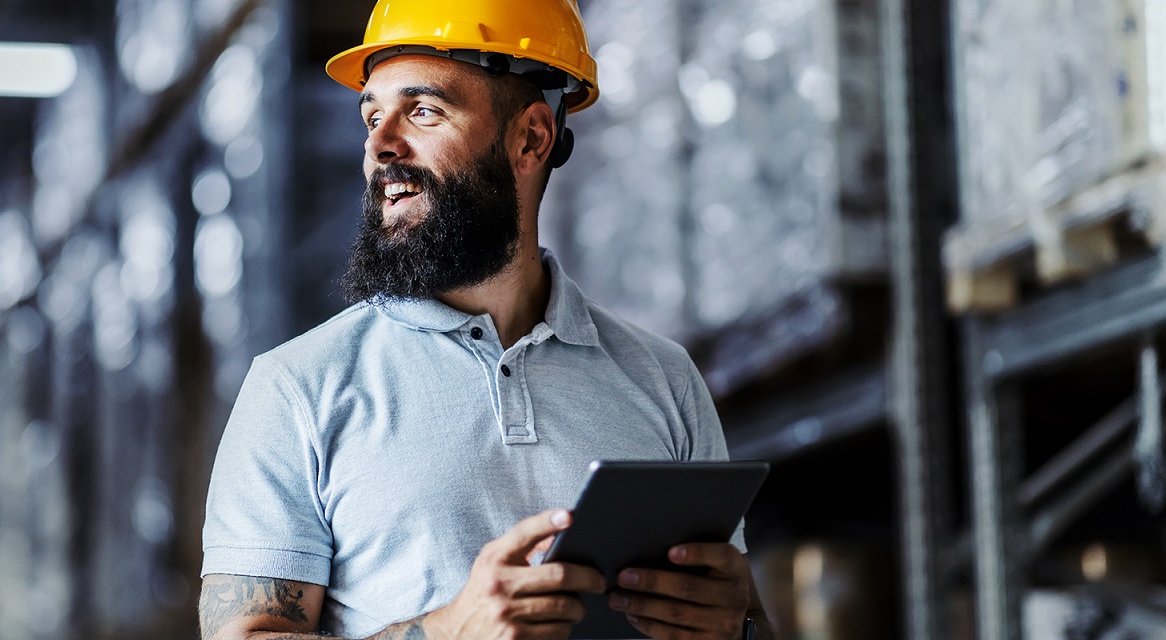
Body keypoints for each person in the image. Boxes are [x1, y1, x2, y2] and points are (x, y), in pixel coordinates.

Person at [198, 1, 771, 638]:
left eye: (422, 111)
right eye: (372, 116)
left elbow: (745, 616)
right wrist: (445, 632)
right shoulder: (296, 389)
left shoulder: (663, 379)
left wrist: (738, 628)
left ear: (531, 138)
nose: (380, 145)